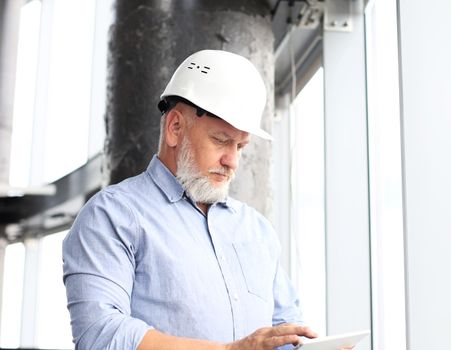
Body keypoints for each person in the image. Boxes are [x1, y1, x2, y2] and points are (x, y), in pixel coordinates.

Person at [62, 49, 317, 350]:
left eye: (241, 146)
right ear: (175, 128)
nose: (232, 161)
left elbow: (286, 334)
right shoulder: (112, 216)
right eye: (221, 140)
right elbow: (100, 335)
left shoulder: (257, 230)